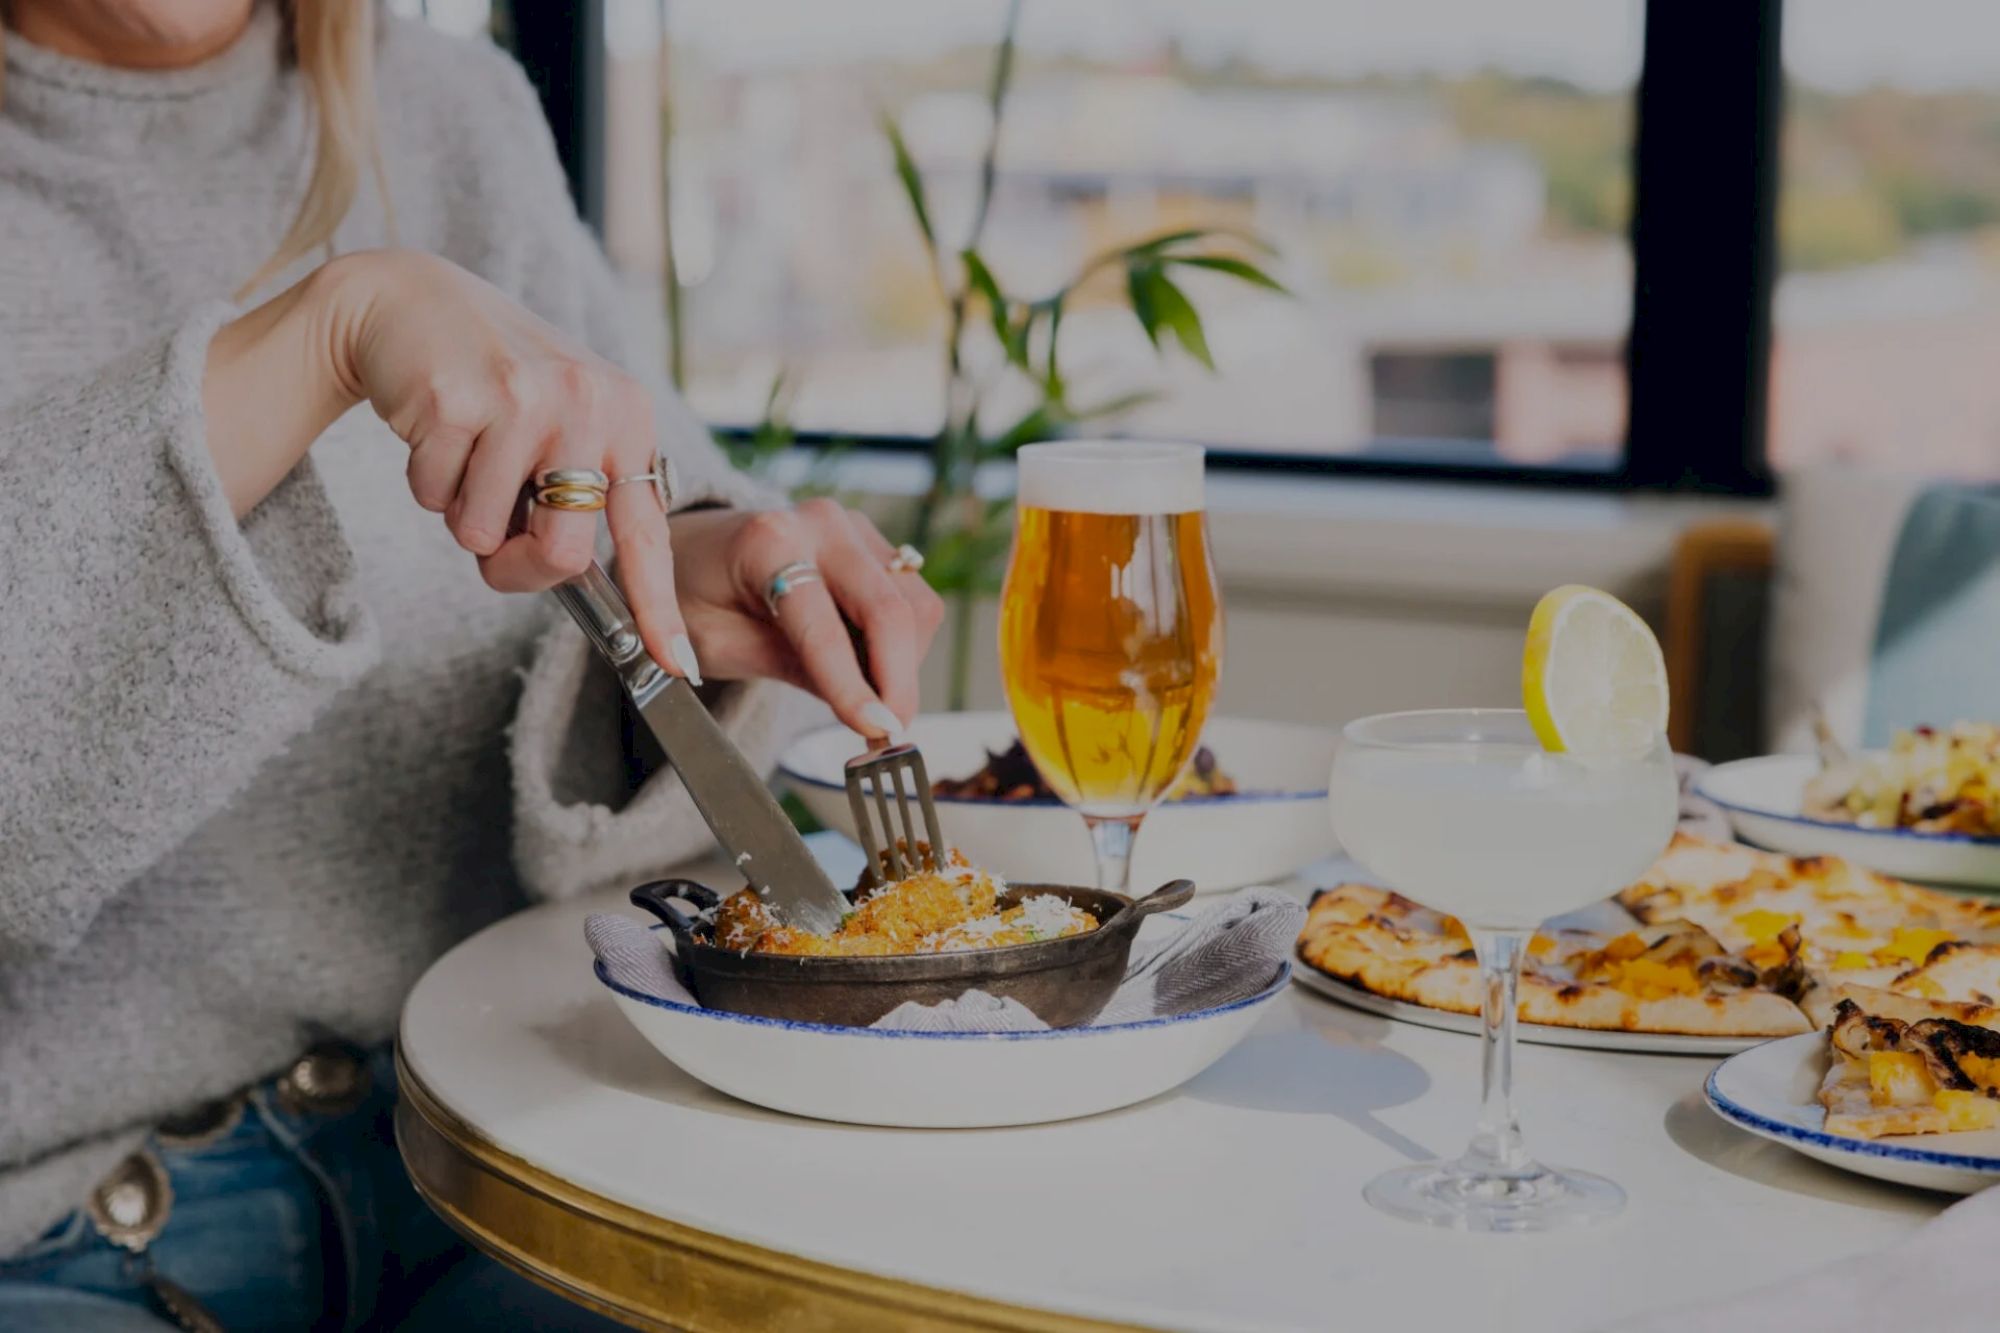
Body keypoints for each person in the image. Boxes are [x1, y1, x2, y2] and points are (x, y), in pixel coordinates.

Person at [0, 1, 945, 1327]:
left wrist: (682, 585)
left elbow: (628, 555)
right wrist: (326, 332)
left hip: (509, 1154)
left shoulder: (456, 114)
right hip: (63, 1239)